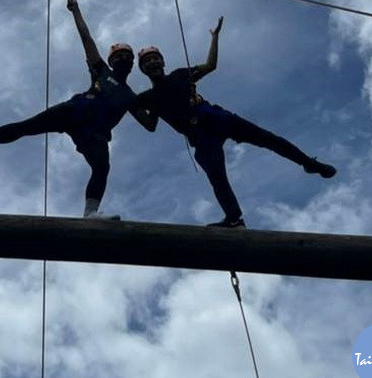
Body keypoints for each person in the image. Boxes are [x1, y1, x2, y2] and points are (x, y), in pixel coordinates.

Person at [0, 0, 153, 219]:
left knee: (102, 167)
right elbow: (86, 38)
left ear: (133, 65)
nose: (123, 60)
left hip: (94, 133)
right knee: (26, 126)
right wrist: (75, 10)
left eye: (127, 57)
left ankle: (90, 213)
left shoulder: (131, 97)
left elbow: (149, 124)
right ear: (112, 61)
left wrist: (157, 96)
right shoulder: (101, 70)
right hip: (73, 111)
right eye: (118, 57)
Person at [135, 17, 336, 228]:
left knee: (269, 139)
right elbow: (149, 124)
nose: (152, 63)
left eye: (155, 58)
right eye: (146, 62)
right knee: (217, 176)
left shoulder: (179, 75)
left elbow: (210, 66)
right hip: (200, 136)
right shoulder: (147, 98)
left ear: (163, 61)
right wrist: (128, 103)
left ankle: (309, 163)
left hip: (216, 117)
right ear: (143, 69)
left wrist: (215, 38)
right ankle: (234, 219)